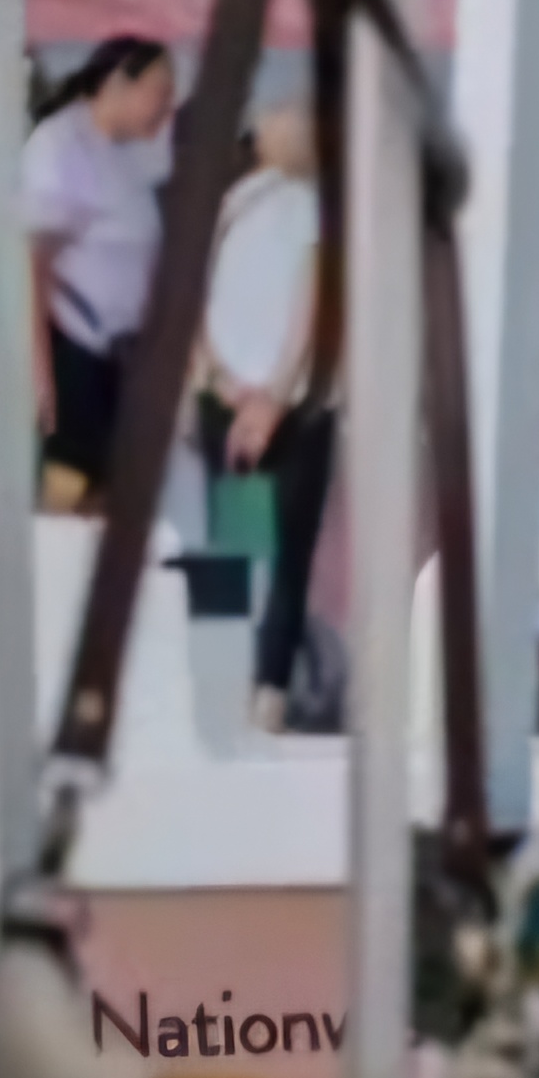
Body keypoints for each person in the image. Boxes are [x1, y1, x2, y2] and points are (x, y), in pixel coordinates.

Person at [194, 96, 331, 728]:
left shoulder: (226, 204)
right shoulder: (309, 205)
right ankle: (267, 691)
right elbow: (309, 304)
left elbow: (194, 300)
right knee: (285, 557)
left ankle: (227, 682)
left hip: (228, 399)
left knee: (238, 545)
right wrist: (273, 395)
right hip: (292, 404)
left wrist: (225, 382)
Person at [20, 33, 175, 504]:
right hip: (75, 351)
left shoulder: (138, 155)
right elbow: (33, 266)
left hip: (126, 358)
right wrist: (39, 372)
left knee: (116, 500)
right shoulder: (62, 145)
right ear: (117, 82)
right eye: (158, 91)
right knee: (69, 494)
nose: (166, 107)